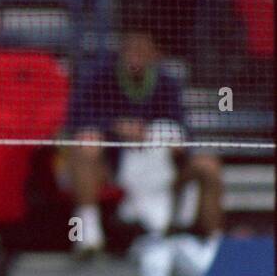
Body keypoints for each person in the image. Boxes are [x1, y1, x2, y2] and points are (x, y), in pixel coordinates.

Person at [64, 27, 223, 262]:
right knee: (84, 147)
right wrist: (114, 127)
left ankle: (215, 245)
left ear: (155, 55)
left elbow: (182, 126)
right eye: (130, 50)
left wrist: (176, 142)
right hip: (114, 165)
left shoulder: (167, 83)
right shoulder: (99, 77)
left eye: (142, 51)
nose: (135, 56)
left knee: (208, 166)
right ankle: (88, 234)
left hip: (160, 167)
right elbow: (75, 119)